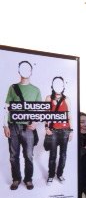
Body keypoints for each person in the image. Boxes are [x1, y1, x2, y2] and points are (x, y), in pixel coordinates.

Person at [3, 60, 42, 190]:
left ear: (31, 71)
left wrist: (35, 122)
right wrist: (5, 125)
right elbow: (6, 107)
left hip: (28, 128)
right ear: (19, 70)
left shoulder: (36, 90)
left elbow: (39, 110)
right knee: (13, 155)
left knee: (29, 156)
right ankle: (16, 179)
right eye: (23, 68)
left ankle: (28, 179)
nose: (25, 70)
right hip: (13, 126)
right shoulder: (12, 88)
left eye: (28, 68)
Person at [44, 76, 73, 185]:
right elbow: (45, 114)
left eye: (60, 84)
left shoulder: (67, 99)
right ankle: (51, 175)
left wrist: (71, 130)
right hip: (53, 130)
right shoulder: (48, 98)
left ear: (63, 86)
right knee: (53, 155)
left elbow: (69, 115)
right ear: (52, 85)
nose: (58, 86)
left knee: (63, 154)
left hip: (65, 130)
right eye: (56, 84)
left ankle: (60, 174)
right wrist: (46, 127)